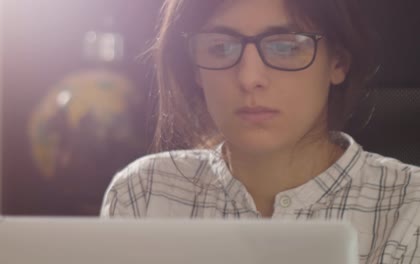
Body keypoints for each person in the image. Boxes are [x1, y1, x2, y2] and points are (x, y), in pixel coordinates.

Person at [100, 0, 420, 263]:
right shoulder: (144, 193)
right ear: (196, 67)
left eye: (285, 47)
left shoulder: (409, 207)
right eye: (220, 48)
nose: (249, 78)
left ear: (338, 62)